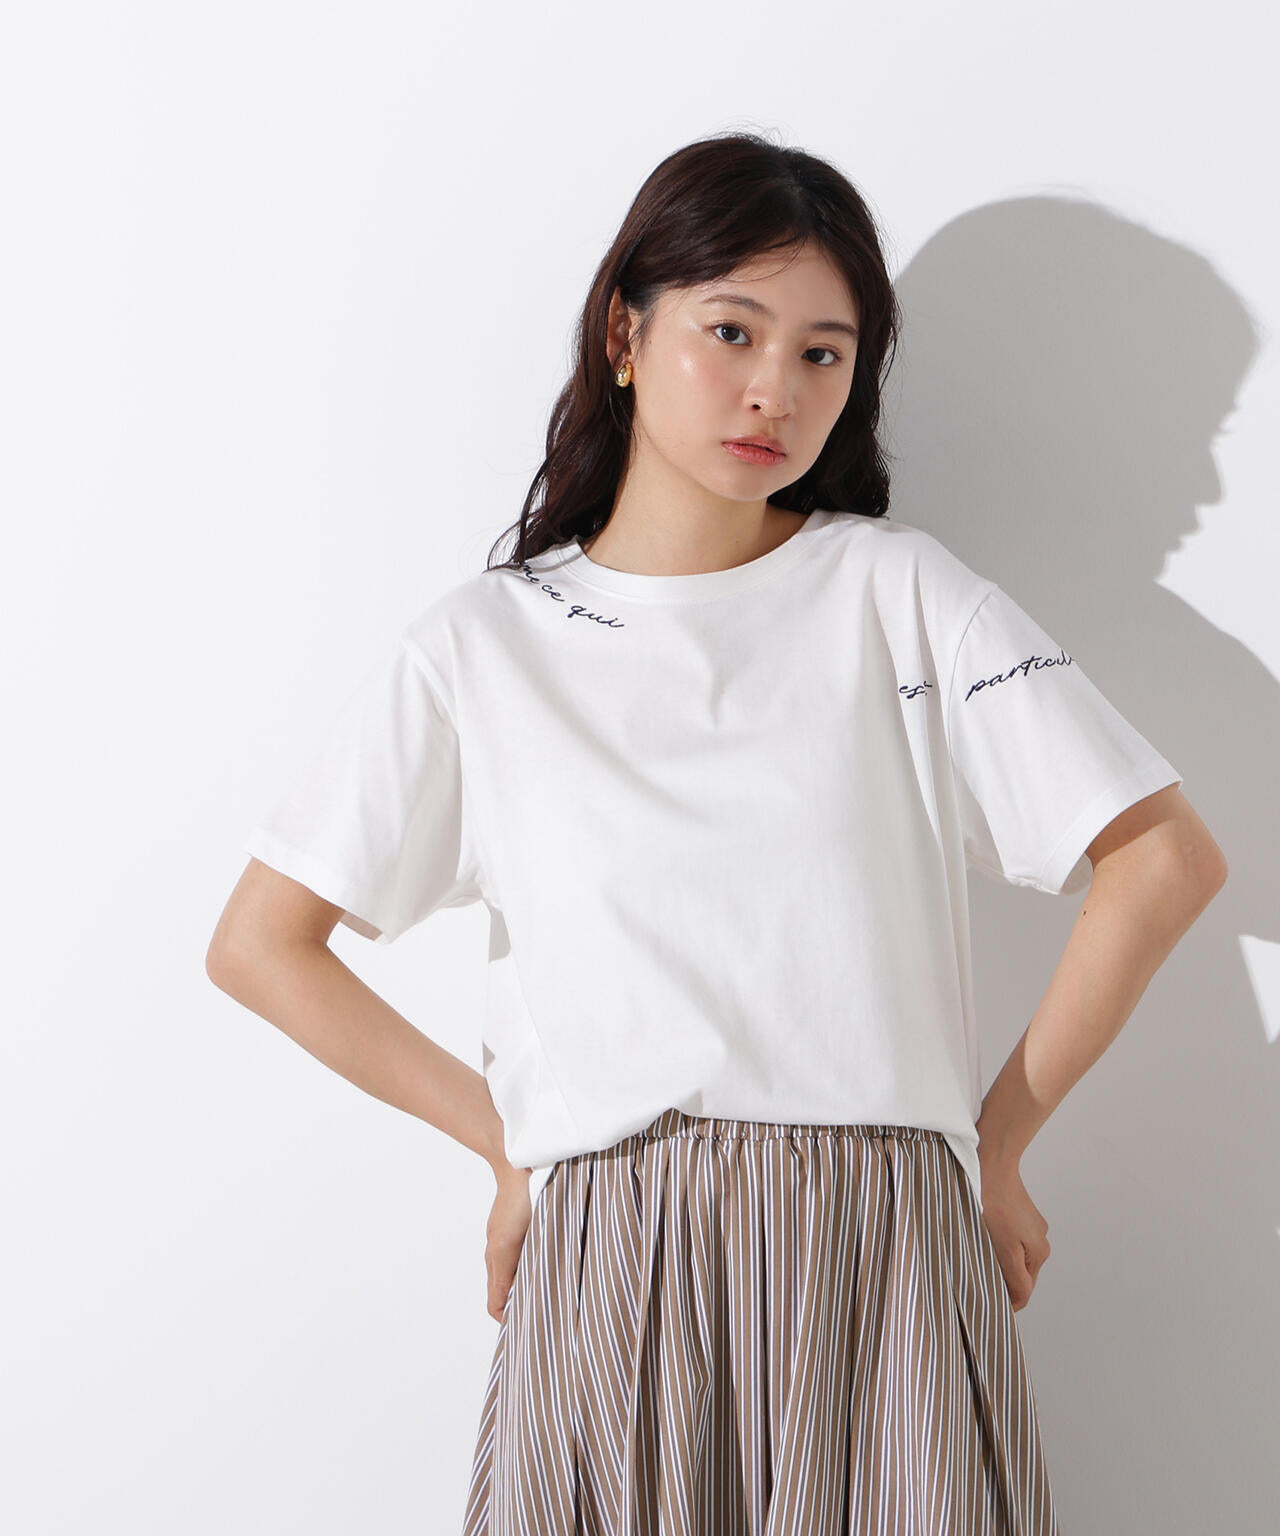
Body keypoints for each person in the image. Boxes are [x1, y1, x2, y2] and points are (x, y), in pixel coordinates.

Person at [206, 132, 1227, 1535]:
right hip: (612, 1258)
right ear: (625, 334)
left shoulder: (900, 596)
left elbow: (1163, 860)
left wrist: (993, 1145)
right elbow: (263, 944)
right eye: (732, 331)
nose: (775, 390)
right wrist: (507, 1148)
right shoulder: (485, 646)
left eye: (824, 353)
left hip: (885, 1251)